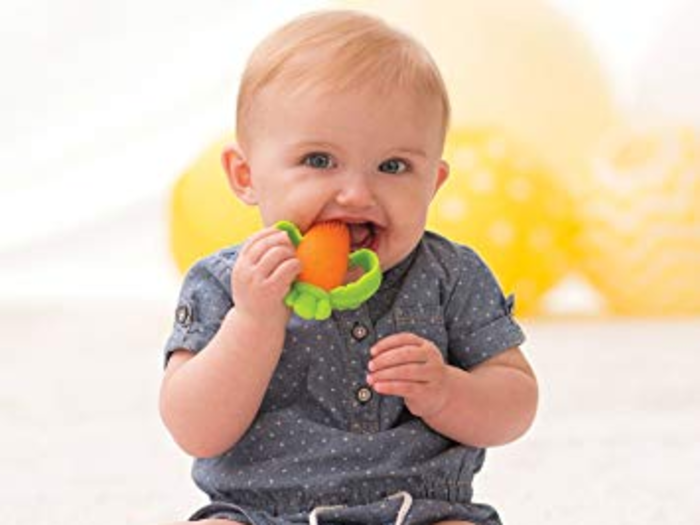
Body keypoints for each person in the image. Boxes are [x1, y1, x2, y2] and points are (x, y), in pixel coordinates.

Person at [158, 9, 538, 525]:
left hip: (420, 508)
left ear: (434, 183)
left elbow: (515, 404)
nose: (357, 193)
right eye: (318, 160)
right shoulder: (226, 283)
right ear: (246, 175)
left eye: (393, 166)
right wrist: (253, 322)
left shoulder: (451, 276)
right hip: (259, 510)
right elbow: (195, 430)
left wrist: (447, 391)